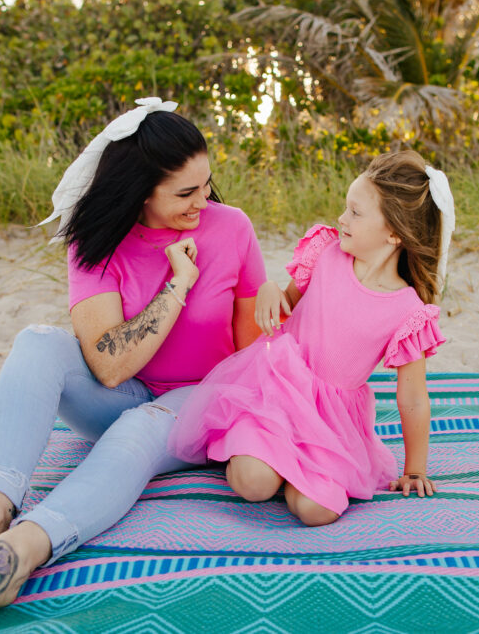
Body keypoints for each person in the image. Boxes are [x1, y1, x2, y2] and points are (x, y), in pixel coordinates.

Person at [0, 98, 267, 622]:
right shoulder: (96, 238)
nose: (202, 201)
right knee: (38, 341)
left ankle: (21, 552)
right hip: (123, 390)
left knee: (139, 429)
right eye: (185, 192)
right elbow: (109, 367)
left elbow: (249, 350)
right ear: (139, 193)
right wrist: (177, 285)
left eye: (206, 184)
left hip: (201, 399)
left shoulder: (232, 228)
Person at [169, 150, 454, 526]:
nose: (342, 218)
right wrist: (270, 290)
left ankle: (292, 467)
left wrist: (415, 469)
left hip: (330, 420)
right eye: (345, 208)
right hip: (278, 390)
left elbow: (414, 398)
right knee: (253, 484)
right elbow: (287, 303)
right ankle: (259, 451)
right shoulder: (326, 253)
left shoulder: (408, 311)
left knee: (316, 511)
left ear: (394, 233)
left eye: (355, 212)